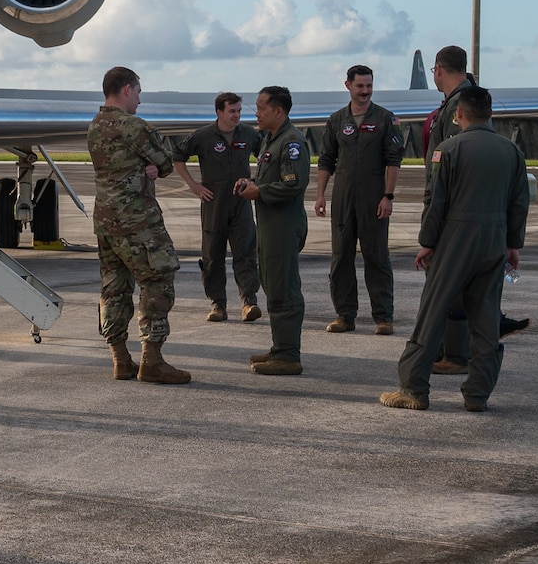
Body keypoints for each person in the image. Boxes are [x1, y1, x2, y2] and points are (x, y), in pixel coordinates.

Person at [383, 84, 530, 411]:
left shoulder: (448, 150)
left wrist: (428, 242)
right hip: (495, 240)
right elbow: (519, 204)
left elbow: (437, 202)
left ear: (458, 113)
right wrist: (512, 245)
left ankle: (414, 389)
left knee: (433, 313)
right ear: (490, 113)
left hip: (455, 240)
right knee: (486, 317)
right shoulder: (512, 152)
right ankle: (478, 393)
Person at [86, 66, 190, 384]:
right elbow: (165, 162)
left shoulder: (96, 126)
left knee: (114, 290)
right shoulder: (133, 127)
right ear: (127, 89)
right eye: (139, 92)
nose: (140, 100)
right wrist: (150, 165)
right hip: (137, 221)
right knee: (158, 279)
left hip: (105, 220)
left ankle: (120, 360)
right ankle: (152, 360)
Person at [425, 45, 529, 366]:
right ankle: (471, 340)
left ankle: (456, 354)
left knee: (453, 285)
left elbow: (460, 159)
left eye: (434, 71)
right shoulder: (459, 101)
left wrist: (435, 224)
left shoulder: (462, 105)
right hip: (467, 212)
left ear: (439, 69)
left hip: (458, 213)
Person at [316, 65, 403, 335]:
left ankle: (383, 317)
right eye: (360, 86)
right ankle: (344, 315)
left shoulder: (386, 119)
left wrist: (388, 196)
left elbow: (393, 160)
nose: (365, 91)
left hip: (373, 197)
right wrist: (320, 194)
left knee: (376, 256)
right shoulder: (336, 120)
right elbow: (326, 160)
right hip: (343, 197)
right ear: (348, 86)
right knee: (341, 257)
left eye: (369, 86)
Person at [236, 86, 308, 375]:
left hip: (283, 225)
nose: (257, 112)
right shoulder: (271, 140)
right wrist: (250, 183)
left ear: (279, 111)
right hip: (269, 225)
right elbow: (271, 178)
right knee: (272, 285)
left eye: (261, 107)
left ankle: (289, 356)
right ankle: (280, 348)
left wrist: (259, 191)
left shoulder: (291, 141)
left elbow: (294, 184)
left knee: (284, 289)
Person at [172, 92, 262, 323]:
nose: (237, 115)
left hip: (241, 202)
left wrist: (255, 182)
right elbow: (177, 155)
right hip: (214, 202)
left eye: (239, 111)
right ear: (219, 112)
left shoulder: (249, 134)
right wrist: (193, 185)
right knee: (212, 256)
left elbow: (266, 156)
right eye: (232, 111)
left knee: (246, 252)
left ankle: (248, 302)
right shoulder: (203, 136)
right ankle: (217, 305)